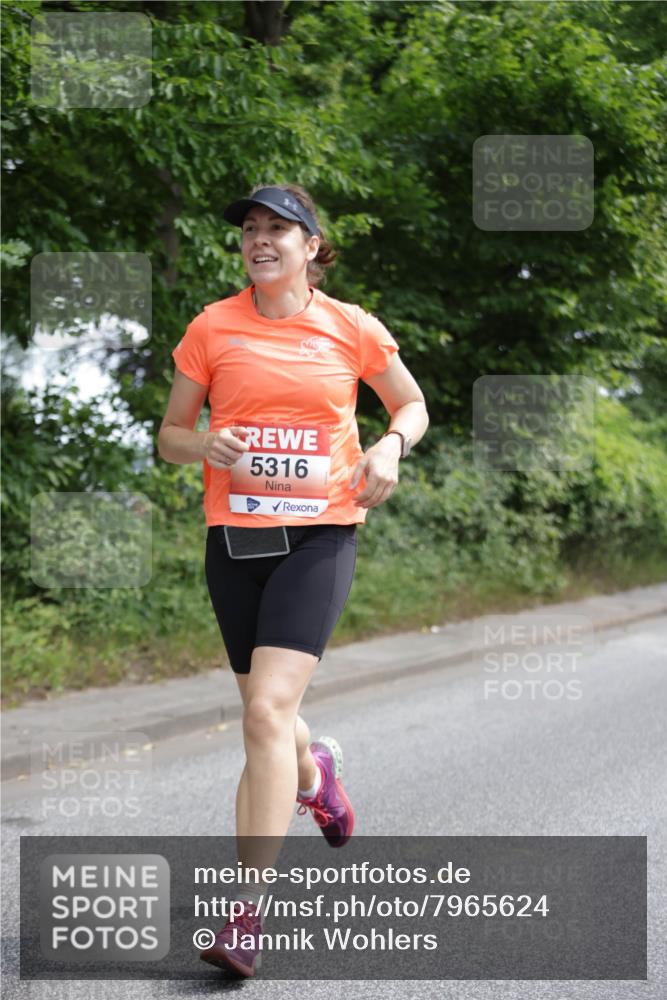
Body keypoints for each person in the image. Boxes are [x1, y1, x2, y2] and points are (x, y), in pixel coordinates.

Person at [157, 183, 429, 976]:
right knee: (264, 716)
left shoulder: (350, 327)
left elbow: (408, 405)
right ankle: (317, 777)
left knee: (268, 711)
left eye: (279, 228)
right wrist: (200, 445)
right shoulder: (212, 325)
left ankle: (246, 917)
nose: (261, 239)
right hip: (236, 540)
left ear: (313, 246)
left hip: (320, 535)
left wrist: (387, 449)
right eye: (251, 228)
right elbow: (172, 434)